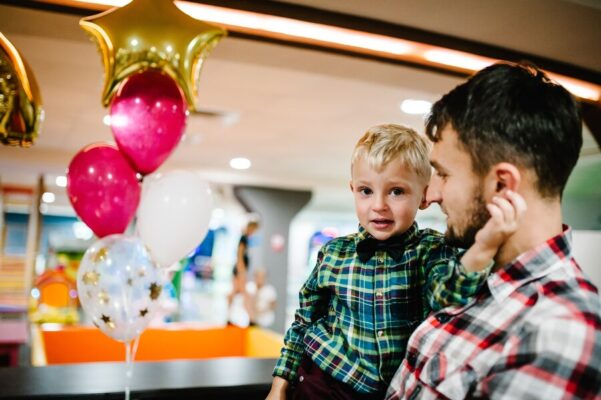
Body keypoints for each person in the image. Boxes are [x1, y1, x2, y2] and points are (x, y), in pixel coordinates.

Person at [386, 63, 601, 399]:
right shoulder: (468, 276)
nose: (431, 195)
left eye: (443, 174)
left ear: (502, 185)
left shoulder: (559, 331)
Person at [267, 124, 525, 400]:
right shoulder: (333, 253)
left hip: (391, 391)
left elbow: (447, 297)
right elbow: (304, 321)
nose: (379, 205)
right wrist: (279, 385)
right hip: (323, 379)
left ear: (424, 196)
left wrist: (484, 246)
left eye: (397, 191)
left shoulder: (432, 249)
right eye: (366, 191)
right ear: (352, 190)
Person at [227, 220, 259, 326]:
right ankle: (251, 318)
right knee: (245, 293)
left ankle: (229, 316)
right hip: (240, 270)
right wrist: (241, 270)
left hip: (239, 269)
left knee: (234, 293)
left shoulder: (245, 239)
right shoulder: (244, 238)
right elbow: (239, 254)